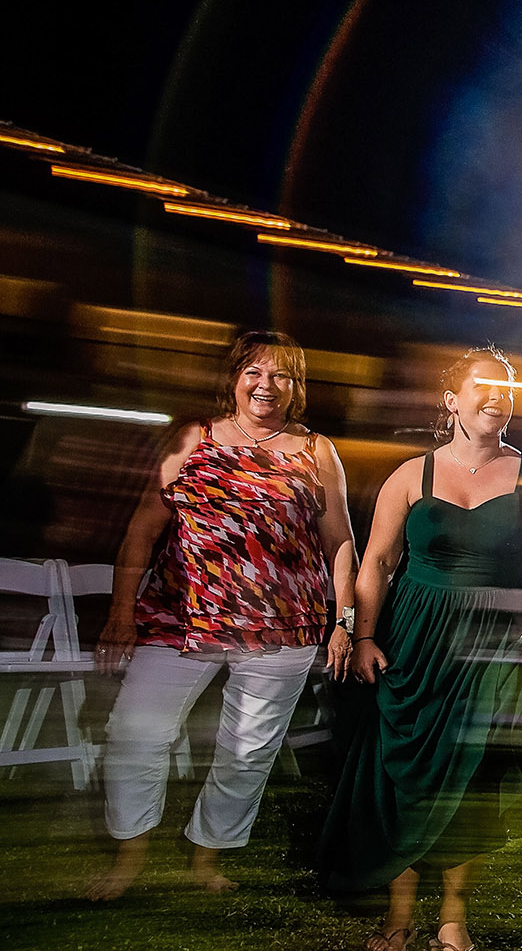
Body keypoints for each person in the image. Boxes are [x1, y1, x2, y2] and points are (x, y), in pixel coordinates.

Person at [86, 330, 356, 900]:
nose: (266, 385)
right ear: (234, 378)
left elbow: (340, 542)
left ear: (297, 386)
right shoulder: (194, 438)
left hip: (285, 625)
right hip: (181, 619)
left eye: (281, 374)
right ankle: (129, 857)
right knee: (136, 732)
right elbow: (143, 529)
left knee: (248, 750)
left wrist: (345, 620)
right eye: (254, 371)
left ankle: (206, 859)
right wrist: (121, 612)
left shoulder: (316, 450)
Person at [317, 345, 522, 951]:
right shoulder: (412, 475)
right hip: (412, 636)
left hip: (490, 642)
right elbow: (377, 562)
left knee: (471, 777)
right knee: (401, 773)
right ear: (452, 400)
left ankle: (453, 917)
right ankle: (398, 916)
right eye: (484, 386)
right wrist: (364, 634)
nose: (498, 397)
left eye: (507, 388)